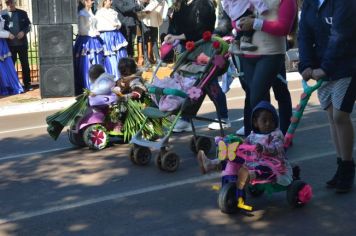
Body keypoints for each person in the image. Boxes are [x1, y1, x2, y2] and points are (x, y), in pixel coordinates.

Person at [298, 0, 356, 193]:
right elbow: (304, 35)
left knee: (340, 116)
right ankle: (341, 165)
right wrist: (306, 64)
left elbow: (340, 35)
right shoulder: (310, 3)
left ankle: (348, 168)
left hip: (346, 66)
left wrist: (325, 68)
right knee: (332, 117)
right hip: (323, 67)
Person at [197, 101, 292, 209]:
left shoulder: (276, 134)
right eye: (264, 120)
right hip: (252, 160)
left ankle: (248, 176)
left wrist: (264, 148)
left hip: (272, 163)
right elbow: (245, 144)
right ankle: (210, 164)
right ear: (256, 123)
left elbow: (278, 148)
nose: (268, 123)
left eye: (272, 120)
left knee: (262, 168)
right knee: (232, 158)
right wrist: (235, 142)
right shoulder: (253, 135)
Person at [164, 0, 231, 132]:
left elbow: (201, 30)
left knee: (210, 83)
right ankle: (185, 119)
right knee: (189, 84)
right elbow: (175, 27)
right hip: (187, 50)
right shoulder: (181, 4)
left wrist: (177, 36)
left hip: (204, 50)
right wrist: (169, 35)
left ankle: (223, 117)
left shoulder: (203, 4)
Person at [237, 0, 296, 137]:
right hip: (247, 54)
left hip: (271, 53)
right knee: (256, 99)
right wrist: (239, 23)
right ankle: (258, 141)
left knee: (257, 98)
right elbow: (235, 18)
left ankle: (280, 137)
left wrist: (255, 23)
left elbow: (284, 28)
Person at [73, 0, 105, 95]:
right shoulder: (82, 14)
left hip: (94, 39)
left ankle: (98, 84)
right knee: (87, 63)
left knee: (97, 61)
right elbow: (82, 30)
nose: (93, 2)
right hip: (86, 40)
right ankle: (88, 86)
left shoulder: (91, 12)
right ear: (85, 2)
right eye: (91, 0)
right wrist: (93, 33)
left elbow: (94, 26)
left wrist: (96, 31)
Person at [2, 0, 32, 92]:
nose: (9, 5)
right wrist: (7, 34)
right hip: (9, 46)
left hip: (22, 44)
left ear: (14, 3)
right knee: (11, 66)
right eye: (7, 3)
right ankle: (14, 85)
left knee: (25, 64)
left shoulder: (22, 13)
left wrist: (23, 32)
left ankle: (27, 84)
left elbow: (28, 26)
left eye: (11, 2)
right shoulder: (2, 14)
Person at [95, 0, 128, 81]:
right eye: (109, 0)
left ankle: (123, 73)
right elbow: (99, 26)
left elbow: (118, 22)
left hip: (116, 34)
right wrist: (110, 25)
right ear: (104, 2)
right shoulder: (99, 13)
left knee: (120, 53)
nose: (111, 2)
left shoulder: (113, 11)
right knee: (110, 56)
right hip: (106, 36)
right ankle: (113, 75)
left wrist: (118, 25)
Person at [0, 1, 23, 95]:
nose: (0, 7)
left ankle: (9, 86)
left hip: (2, 43)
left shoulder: (0, 15)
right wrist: (8, 34)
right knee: (3, 67)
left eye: (0, 5)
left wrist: (7, 33)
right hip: (1, 41)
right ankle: (5, 86)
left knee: (6, 66)